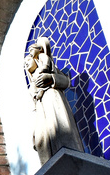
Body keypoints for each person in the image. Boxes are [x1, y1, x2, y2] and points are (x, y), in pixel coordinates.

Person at [25, 36, 85, 164]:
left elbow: (65, 81)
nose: (26, 63)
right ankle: (49, 163)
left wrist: (51, 79)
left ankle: (71, 153)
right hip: (41, 108)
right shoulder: (32, 83)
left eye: (29, 59)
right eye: (25, 63)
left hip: (51, 97)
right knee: (42, 139)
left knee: (59, 128)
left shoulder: (47, 66)